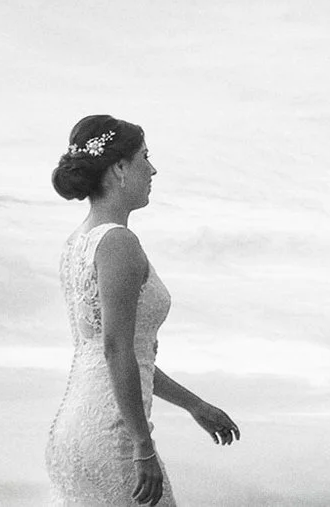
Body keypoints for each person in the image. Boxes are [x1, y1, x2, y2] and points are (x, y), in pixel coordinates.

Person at [46, 116, 240, 506]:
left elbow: (124, 354)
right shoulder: (119, 243)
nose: (152, 170)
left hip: (72, 431)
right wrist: (142, 445)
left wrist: (194, 405)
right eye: (144, 158)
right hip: (113, 433)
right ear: (120, 168)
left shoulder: (76, 242)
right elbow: (116, 350)